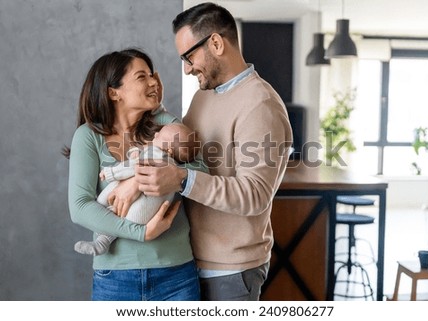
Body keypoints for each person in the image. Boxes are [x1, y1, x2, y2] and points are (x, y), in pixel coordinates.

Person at [134, 2, 293, 301]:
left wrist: (181, 179)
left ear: (216, 43)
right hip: (188, 262)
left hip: (231, 270)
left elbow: (255, 195)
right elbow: (183, 156)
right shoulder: (202, 98)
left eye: (189, 56)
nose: (186, 68)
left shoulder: (260, 105)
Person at [66, 48, 206, 301]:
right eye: (142, 77)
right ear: (113, 92)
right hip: (116, 278)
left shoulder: (165, 124)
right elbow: (80, 207)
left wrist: (135, 181)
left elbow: (202, 171)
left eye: (152, 75)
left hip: (175, 273)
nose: (154, 81)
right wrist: (142, 233)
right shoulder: (88, 137)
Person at [74, 122, 200, 256]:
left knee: (107, 195)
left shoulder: (157, 154)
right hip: (145, 215)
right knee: (119, 210)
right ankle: (103, 241)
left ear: (168, 150)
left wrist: (112, 172)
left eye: (160, 136)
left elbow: (134, 166)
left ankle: (103, 237)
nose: (156, 134)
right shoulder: (171, 167)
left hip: (141, 211)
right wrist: (137, 153)